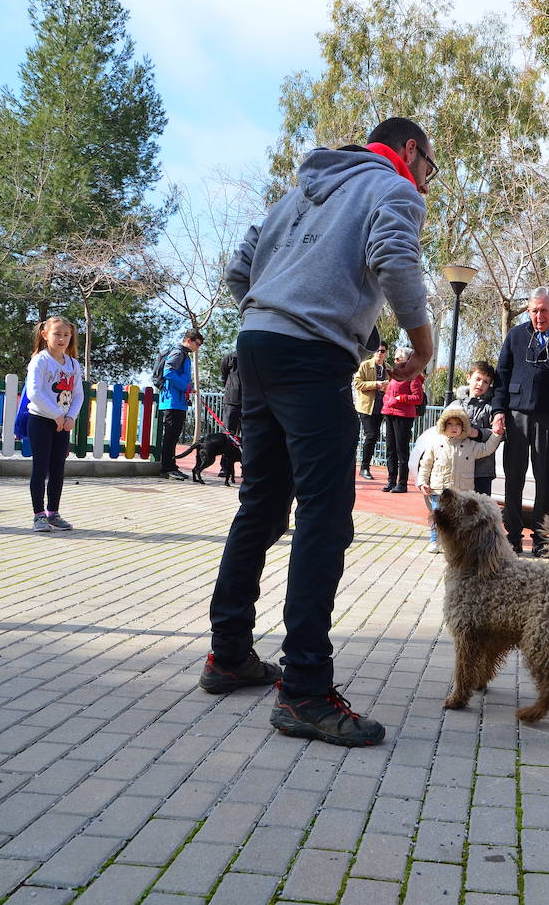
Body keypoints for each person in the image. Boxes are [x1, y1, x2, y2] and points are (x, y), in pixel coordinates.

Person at [204, 116, 436, 747]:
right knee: (325, 517)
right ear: (409, 150)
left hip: (256, 344)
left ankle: (228, 656)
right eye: (429, 169)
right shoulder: (393, 188)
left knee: (262, 506)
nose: (425, 184)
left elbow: (238, 267)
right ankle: (304, 691)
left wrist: (276, 303)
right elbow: (393, 257)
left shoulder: (297, 192)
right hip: (310, 356)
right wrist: (423, 341)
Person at [492, 287, 549, 557]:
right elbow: (502, 375)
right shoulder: (516, 335)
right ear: (528, 311)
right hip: (516, 415)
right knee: (514, 478)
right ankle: (512, 537)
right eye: (534, 311)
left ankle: (542, 540)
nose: (539, 316)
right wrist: (499, 411)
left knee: (544, 480)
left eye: (543, 310)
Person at [25, 316, 84, 533]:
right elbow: (35, 393)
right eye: (57, 334)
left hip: (62, 425)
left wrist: (70, 418)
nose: (62, 339)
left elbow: (78, 394)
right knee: (40, 468)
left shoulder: (73, 364)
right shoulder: (40, 360)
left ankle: (53, 513)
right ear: (45, 335)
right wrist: (57, 415)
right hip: (41, 420)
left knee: (58, 469)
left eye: (66, 335)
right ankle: (38, 515)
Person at [417, 407, 503, 552]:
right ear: (444, 426)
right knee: (438, 517)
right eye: (450, 424)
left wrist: (496, 435)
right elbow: (426, 464)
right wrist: (422, 482)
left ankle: (455, 544)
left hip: (462, 492)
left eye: (458, 424)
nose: (454, 427)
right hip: (439, 490)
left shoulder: (470, 445)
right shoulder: (435, 443)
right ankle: (434, 540)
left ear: (464, 427)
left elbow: (487, 448)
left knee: (460, 519)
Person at [157, 329, 204, 480]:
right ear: (189, 340)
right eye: (197, 344)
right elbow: (168, 372)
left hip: (178, 400)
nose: (198, 348)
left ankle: (172, 466)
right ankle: (167, 468)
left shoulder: (183, 354)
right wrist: (187, 386)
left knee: (173, 436)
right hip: (172, 400)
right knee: (170, 436)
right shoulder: (178, 353)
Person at [447, 360, 499, 495]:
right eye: (478, 379)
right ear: (468, 378)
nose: (481, 384)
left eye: (486, 381)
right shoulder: (455, 405)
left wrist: (478, 433)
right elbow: (442, 429)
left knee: (480, 509)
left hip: (482, 470)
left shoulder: (491, 409)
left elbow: (499, 434)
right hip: (458, 467)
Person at [381, 346, 425, 493]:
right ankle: (391, 480)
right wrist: (387, 401)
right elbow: (389, 392)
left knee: (402, 451)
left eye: (399, 358)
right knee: (390, 450)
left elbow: (418, 398)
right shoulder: (395, 375)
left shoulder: (414, 376)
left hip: (403, 416)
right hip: (389, 413)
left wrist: (401, 398)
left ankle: (402, 483)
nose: (395, 361)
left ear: (407, 360)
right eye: (395, 358)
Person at [353, 344, 390, 480]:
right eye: (377, 350)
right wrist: (376, 384)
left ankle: (366, 466)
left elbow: (392, 387)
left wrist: (385, 388)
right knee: (371, 435)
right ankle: (364, 467)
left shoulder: (388, 368)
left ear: (386, 353)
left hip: (381, 408)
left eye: (382, 351)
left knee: (374, 437)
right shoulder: (365, 365)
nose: (379, 353)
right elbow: (357, 384)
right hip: (366, 407)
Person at [218, 350, 242, 481]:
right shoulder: (230, 357)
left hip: (250, 400)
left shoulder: (254, 356)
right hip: (231, 399)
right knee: (228, 435)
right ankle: (225, 467)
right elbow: (223, 374)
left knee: (249, 436)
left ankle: (247, 467)